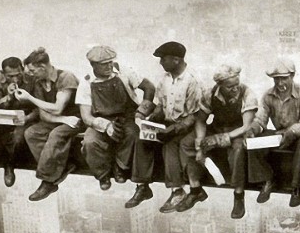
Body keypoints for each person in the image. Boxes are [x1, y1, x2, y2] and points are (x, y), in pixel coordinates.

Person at [126, 41, 204, 212]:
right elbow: (160, 105)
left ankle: (177, 190)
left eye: (163, 59)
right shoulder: (165, 79)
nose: (161, 62)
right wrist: (151, 119)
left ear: (176, 60)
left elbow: (194, 115)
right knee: (142, 139)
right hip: (167, 124)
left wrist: (174, 130)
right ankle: (142, 185)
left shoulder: (193, 81)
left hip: (186, 127)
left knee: (170, 146)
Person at [180, 64, 257, 219]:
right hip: (217, 127)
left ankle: (238, 195)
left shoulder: (248, 94)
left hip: (237, 131)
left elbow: (246, 125)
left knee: (238, 150)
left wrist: (220, 139)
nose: (235, 89)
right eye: (230, 87)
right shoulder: (210, 94)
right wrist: (200, 142)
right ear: (220, 85)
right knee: (187, 143)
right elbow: (201, 120)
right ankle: (196, 189)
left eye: (237, 84)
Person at [76, 45, 155, 191]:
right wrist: (105, 126)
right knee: (89, 142)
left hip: (127, 116)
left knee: (132, 135)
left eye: (110, 62)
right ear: (93, 65)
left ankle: (121, 167)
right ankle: (103, 174)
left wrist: (141, 113)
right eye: (104, 64)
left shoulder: (124, 71)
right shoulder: (86, 82)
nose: (109, 66)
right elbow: (86, 116)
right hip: (100, 120)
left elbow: (149, 88)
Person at [15, 48, 82, 201]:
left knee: (56, 135)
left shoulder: (66, 77)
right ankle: (62, 167)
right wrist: (62, 120)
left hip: (77, 119)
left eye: (33, 71)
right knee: (31, 133)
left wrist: (30, 98)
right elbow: (44, 114)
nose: (31, 74)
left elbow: (58, 108)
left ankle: (48, 181)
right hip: (62, 120)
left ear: (43, 67)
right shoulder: (39, 82)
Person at [246, 58, 300, 207]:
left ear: (292, 76)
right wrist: (253, 129)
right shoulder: (268, 96)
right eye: (276, 79)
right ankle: (267, 179)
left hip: (298, 134)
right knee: (254, 142)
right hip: (280, 134)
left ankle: (296, 187)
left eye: (284, 79)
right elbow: (261, 119)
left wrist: (291, 133)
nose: (280, 83)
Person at [0, 56, 38, 187]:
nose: (15, 79)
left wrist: (27, 118)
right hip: (3, 115)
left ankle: (9, 165)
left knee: (18, 139)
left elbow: (39, 106)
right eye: (10, 76)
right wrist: (8, 97)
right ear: (3, 73)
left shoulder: (32, 79)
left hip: (25, 116)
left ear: (23, 69)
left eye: (18, 75)